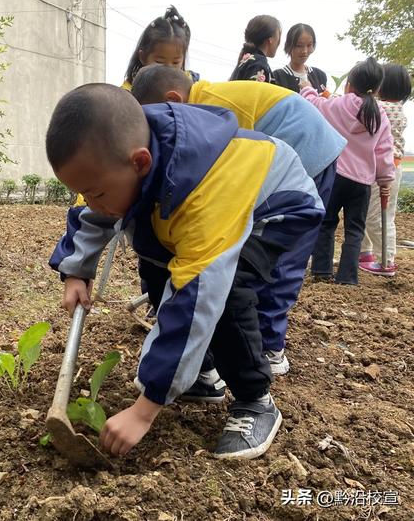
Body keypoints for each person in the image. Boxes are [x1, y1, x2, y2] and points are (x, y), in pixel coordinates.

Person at [47, 83, 325, 459]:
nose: (92, 200)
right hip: (186, 202)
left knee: (224, 292)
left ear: (141, 163)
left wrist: (145, 410)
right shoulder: (117, 157)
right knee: (159, 266)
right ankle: (201, 376)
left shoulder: (202, 194)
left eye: (96, 192)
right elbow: (88, 212)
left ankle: (255, 399)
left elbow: (196, 300)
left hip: (273, 206)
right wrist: (76, 271)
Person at [130, 64, 346, 375]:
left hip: (305, 154)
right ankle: (245, 339)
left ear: (174, 101)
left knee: (278, 255)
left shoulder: (212, 105)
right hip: (284, 151)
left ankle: (270, 346)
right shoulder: (200, 102)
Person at [301, 57, 396, 284]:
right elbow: (384, 149)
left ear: (349, 85)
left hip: (336, 176)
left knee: (327, 222)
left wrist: (307, 89)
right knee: (355, 230)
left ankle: (322, 270)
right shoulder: (379, 115)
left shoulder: (340, 104)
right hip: (362, 182)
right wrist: (385, 178)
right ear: (377, 89)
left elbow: (316, 105)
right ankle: (348, 277)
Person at [359, 64, 411, 276]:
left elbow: (357, 109)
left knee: (375, 216)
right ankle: (366, 253)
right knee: (371, 212)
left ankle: (386, 262)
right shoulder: (398, 108)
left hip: (381, 170)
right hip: (391, 168)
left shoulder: (382, 108)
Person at [121, 5, 198, 91]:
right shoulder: (128, 92)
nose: (169, 69)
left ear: (183, 59)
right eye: (159, 62)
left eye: (176, 62)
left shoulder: (192, 86)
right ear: (143, 57)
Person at [273, 23, 328, 94]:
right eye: (299, 46)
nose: (304, 51)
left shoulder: (320, 75)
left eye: (309, 45)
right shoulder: (277, 77)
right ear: (289, 46)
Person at [229, 15, 281, 83]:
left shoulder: (248, 60)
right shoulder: (259, 63)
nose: (279, 41)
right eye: (279, 35)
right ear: (270, 39)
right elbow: (254, 92)